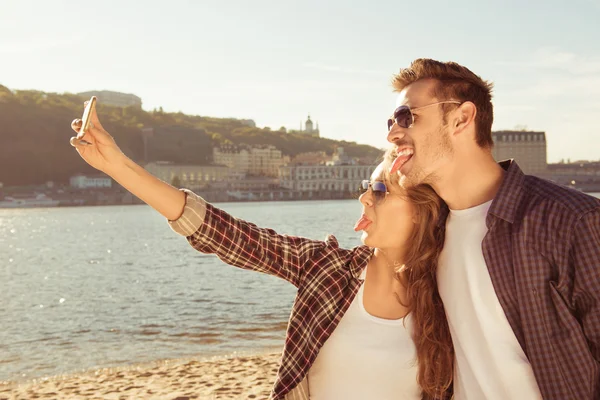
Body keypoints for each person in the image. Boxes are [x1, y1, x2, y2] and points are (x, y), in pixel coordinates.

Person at [69, 105, 453, 400]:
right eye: (366, 186)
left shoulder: (449, 295)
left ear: (423, 209)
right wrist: (116, 165)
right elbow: (223, 233)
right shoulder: (326, 269)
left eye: (381, 191)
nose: (364, 197)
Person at [386, 58, 600, 399]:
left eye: (406, 117)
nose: (393, 133)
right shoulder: (428, 235)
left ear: (462, 118)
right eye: (391, 121)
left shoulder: (570, 221)